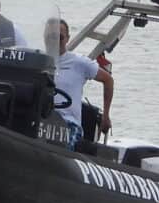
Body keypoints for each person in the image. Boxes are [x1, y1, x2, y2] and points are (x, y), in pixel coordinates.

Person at [46, 18, 113, 148]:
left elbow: (108, 80)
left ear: (67, 38)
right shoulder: (39, 60)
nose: (54, 40)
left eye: (59, 37)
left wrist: (106, 116)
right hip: (43, 119)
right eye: (50, 36)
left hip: (68, 123)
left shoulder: (79, 62)